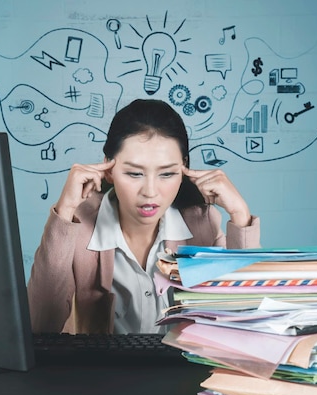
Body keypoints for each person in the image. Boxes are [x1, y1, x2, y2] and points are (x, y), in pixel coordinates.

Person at [27, 99, 260, 335]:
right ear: (108, 168)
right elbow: (40, 325)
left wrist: (240, 216)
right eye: (134, 173)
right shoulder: (79, 226)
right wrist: (65, 211)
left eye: (167, 173)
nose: (150, 191)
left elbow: (249, 317)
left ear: (184, 169)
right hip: (102, 370)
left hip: (180, 369)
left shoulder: (202, 224)